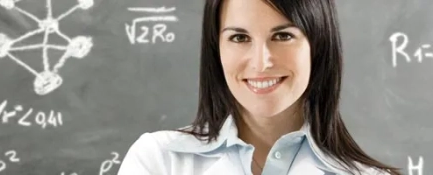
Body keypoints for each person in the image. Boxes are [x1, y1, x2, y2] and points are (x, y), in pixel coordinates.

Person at [118, 0, 400, 174]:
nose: (261, 62)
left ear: (318, 45)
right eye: (240, 38)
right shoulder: (158, 161)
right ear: (217, 48)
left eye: (283, 35)